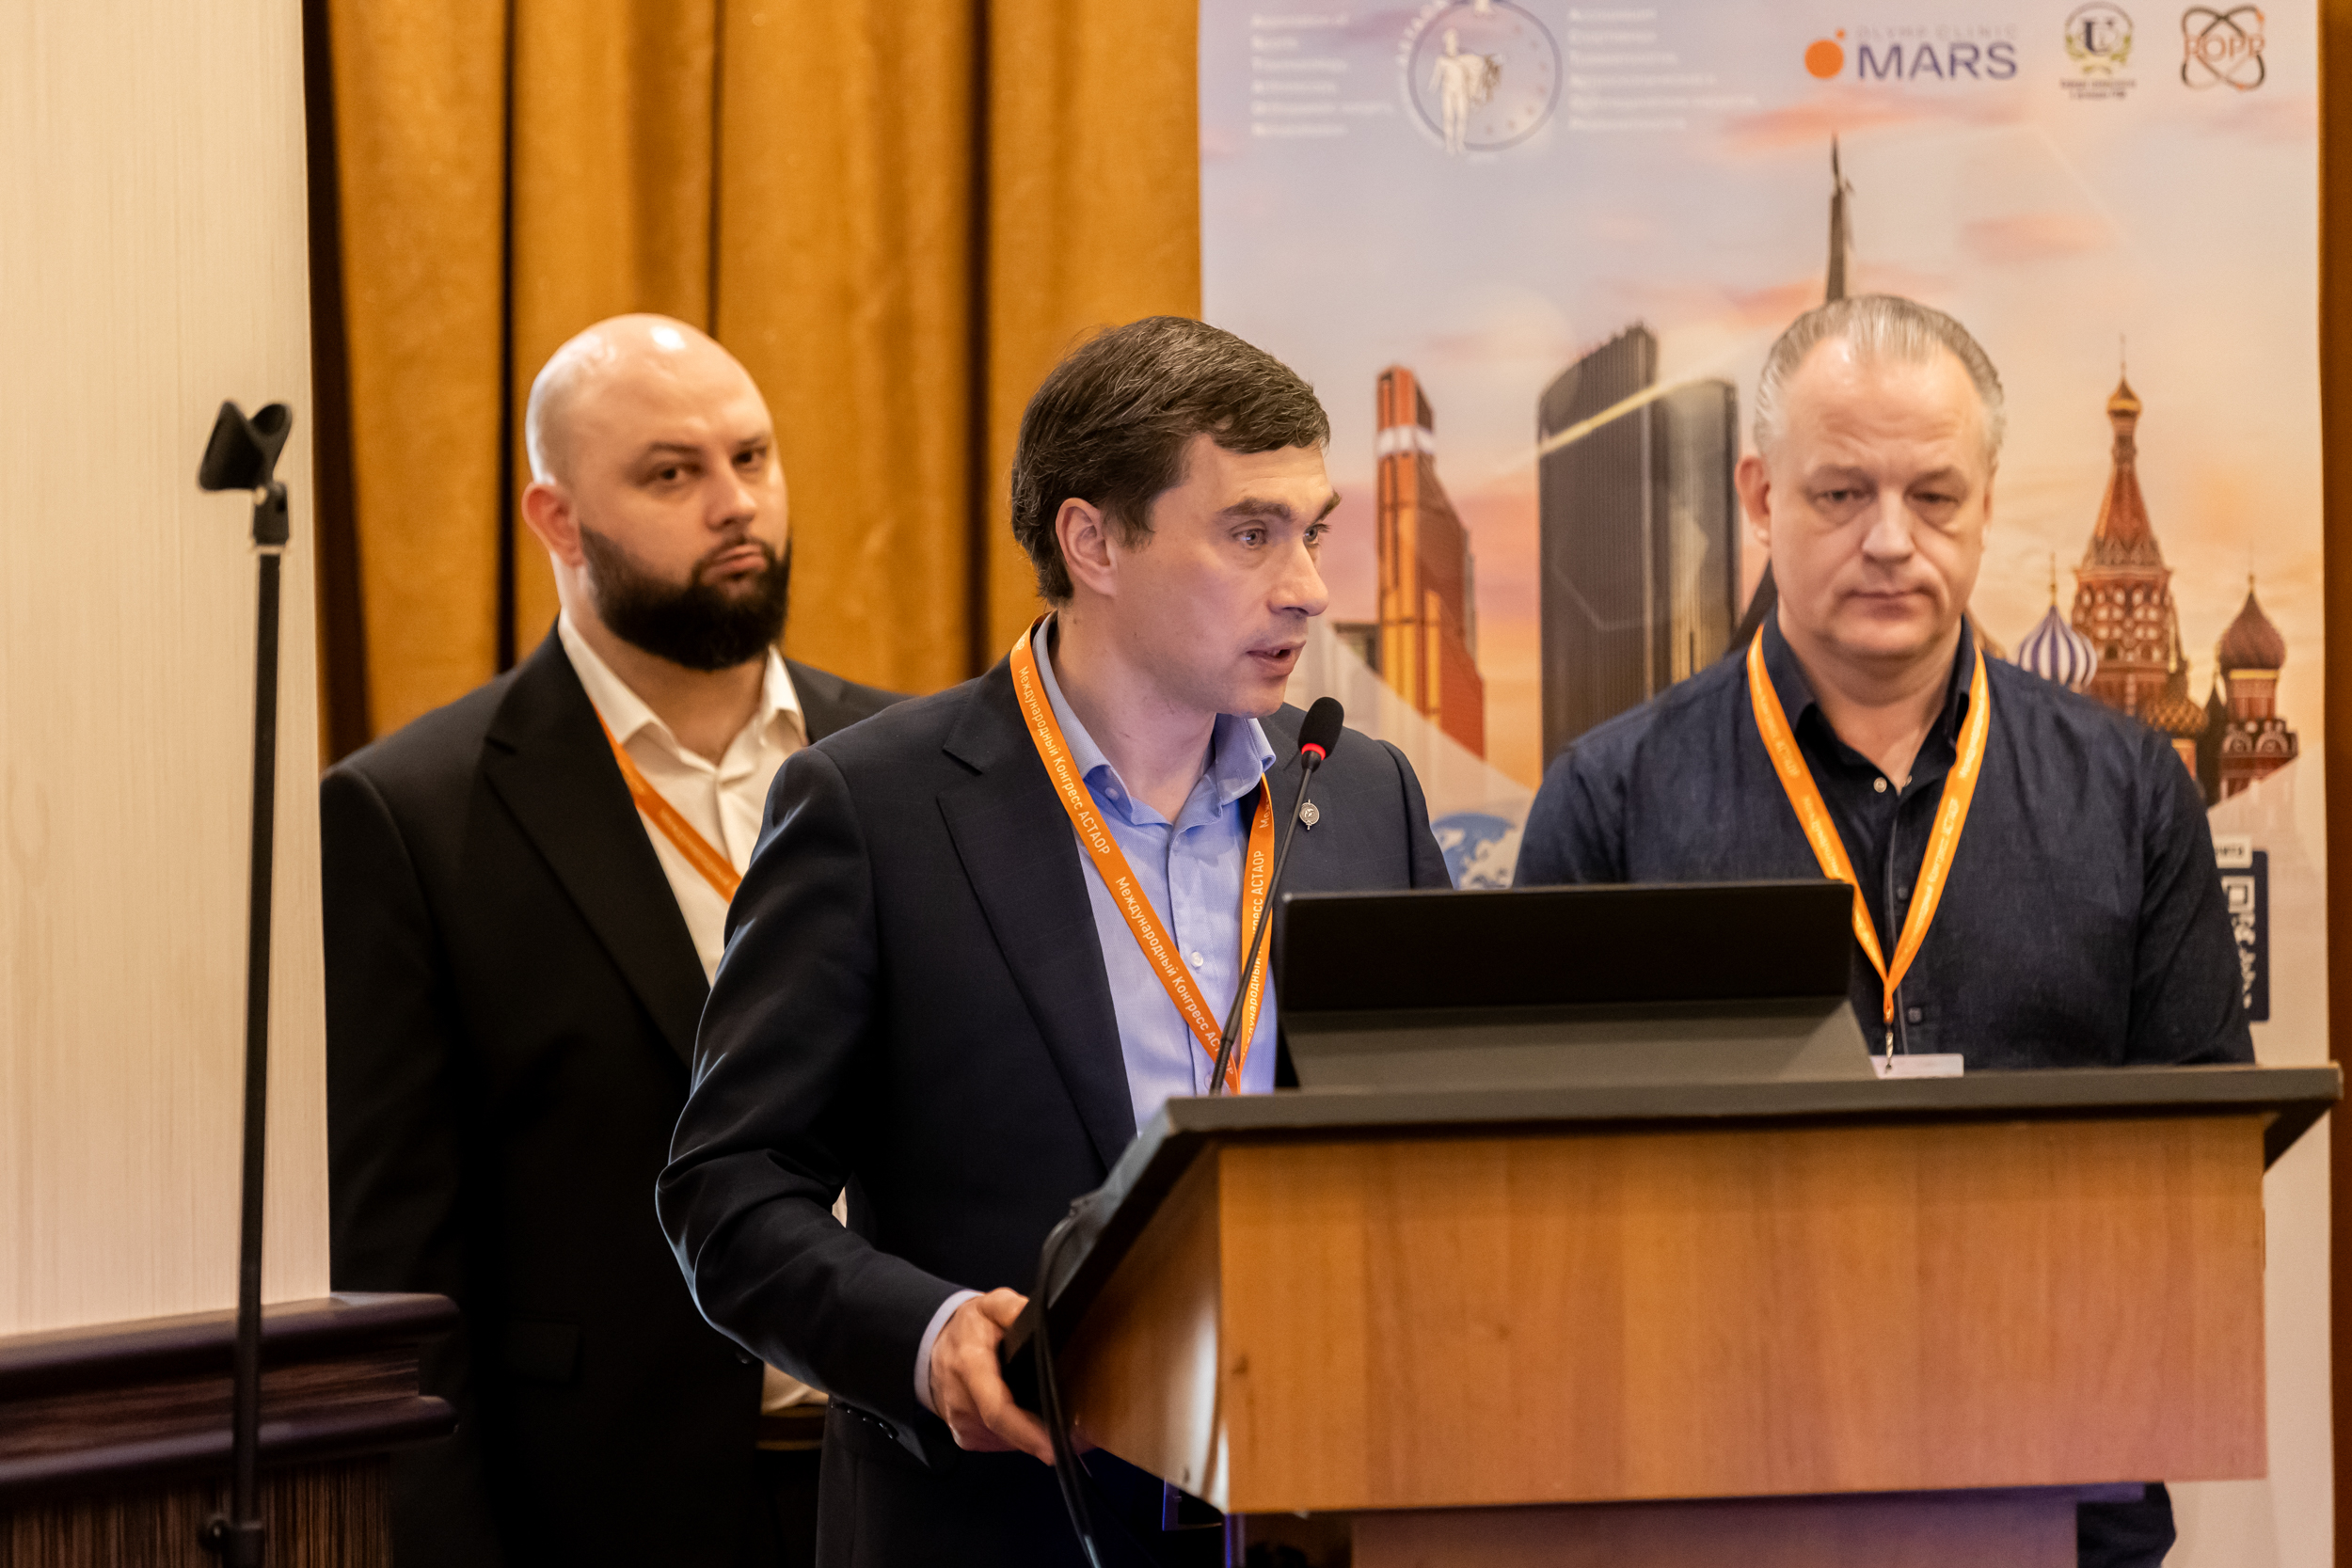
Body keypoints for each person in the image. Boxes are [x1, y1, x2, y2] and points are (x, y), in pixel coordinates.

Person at [657, 316, 1452, 1567]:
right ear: (1093, 542)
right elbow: (729, 1189)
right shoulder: (876, 809)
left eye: (1314, 531)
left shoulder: (1359, 794)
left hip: (1325, 1509)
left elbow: (1447, 1148)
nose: (1306, 585)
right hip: (1001, 1520)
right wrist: (928, 1338)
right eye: (1251, 533)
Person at [1515, 293, 2249, 1568]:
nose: (1892, 542)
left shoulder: (2133, 794)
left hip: (2057, 1480)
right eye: (1842, 493)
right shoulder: (1613, 799)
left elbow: (2204, 1157)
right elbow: (1530, 1190)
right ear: (1761, 496)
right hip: (1706, 1486)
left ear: (1988, 501)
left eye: (1935, 497)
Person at [323, 314, 899, 1568]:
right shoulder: (412, 816)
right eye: (672, 473)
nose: (735, 504)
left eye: (752, 457)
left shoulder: (906, 765)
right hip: (614, 1507)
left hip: (912, 1484)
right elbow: (399, 1274)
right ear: (559, 520)